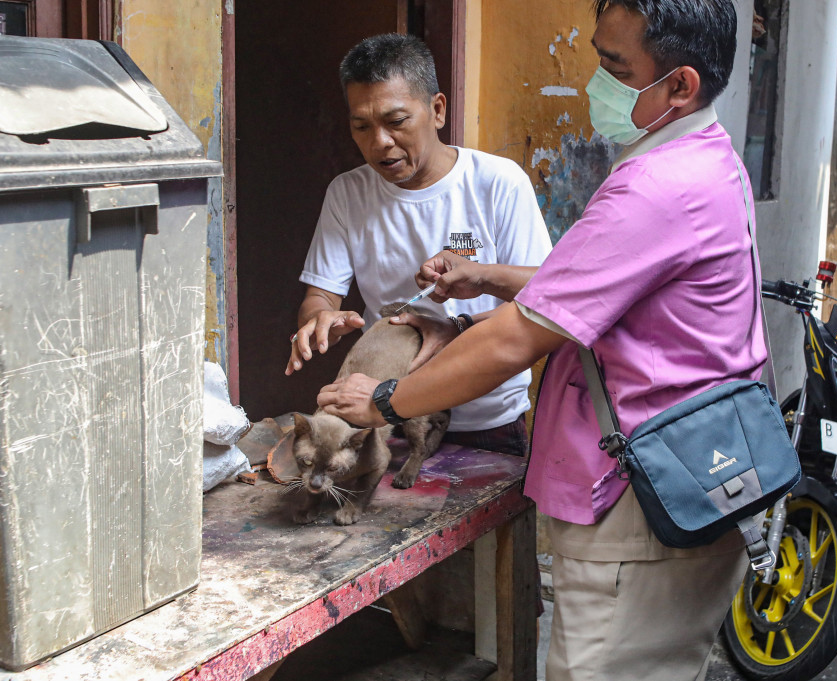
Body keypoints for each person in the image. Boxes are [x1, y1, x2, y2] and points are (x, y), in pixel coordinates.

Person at [317, 2, 766, 680]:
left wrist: (386, 400)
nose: (595, 82)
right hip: (694, 470)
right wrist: (485, 277)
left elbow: (516, 340)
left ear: (680, 85)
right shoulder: (704, 157)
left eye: (615, 67)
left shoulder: (655, 188)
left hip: (646, 498)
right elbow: (592, 283)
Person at [287, 33, 551, 457]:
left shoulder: (498, 183)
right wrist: (321, 320)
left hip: (484, 418)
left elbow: (544, 296)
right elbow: (321, 296)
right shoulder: (347, 192)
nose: (379, 142)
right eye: (361, 126)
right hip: (383, 416)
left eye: (396, 121)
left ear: (437, 110)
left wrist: (458, 326)